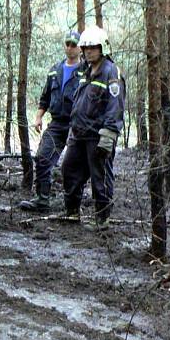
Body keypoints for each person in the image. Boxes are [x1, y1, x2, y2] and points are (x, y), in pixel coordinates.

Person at [61, 25, 125, 228]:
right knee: (69, 169)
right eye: (85, 48)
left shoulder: (111, 72)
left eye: (93, 48)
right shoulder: (85, 70)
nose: (88, 51)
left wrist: (108, 135)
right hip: (79, 133)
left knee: (100, 178)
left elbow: (115, 106)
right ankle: (72, 212)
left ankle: (102, 219)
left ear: (102, 48)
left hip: (98, 135)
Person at [20, 31, 84, 211]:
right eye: (67, 44)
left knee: (71, 165)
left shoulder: (85, 71)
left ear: (80, 48)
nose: (70, 47)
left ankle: (72, 207)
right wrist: (39, 116)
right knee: (42, 157)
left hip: (76, 125)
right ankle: (42, 199)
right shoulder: (55, 70)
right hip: (56, 124)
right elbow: (45, 97)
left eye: (74, 44)